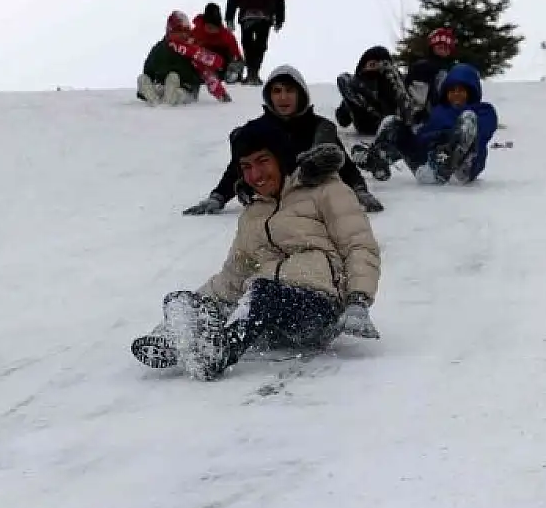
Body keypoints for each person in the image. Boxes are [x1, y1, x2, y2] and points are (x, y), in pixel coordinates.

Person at [131, 119, 381, 381]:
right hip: (265, 314)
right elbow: (233, 277)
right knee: (184, 300)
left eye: (263, 161)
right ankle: (172, 338)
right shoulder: (252, 214)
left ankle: (220, 351)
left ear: (281, 158)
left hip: (319, 309)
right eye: (246, 167)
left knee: (263, 292)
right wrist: (196, 305)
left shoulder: (326, 191)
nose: (255, 175)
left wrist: (358, 301)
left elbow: (359, 245)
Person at [182, 64, 384, 214]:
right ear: (269, 96)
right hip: (271, 193)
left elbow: (344, 166)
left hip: (309, 194)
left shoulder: (319, 127)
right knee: (242, 136)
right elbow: (238, 166)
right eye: (277, 91)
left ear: (300, 94)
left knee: (326, 132)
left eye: (289, 90)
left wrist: (360, 190)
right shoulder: (256, 128)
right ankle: (252, 189)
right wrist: (218, 197)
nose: (283, 97)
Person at [354, 62, 498, 185]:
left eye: (461, 90)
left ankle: (446, 161)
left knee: (468, 119)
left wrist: (449, 138)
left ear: (471, 91)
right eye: (452, 90)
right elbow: (422, 137)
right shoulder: (439, 110)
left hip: (463, 167)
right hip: (427, 164)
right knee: (392, 122)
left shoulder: (483, 110)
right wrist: (406, 142)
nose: (456, 94)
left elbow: (483, 132)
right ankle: (378, 159)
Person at [137, 10, 231, 105]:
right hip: (162, 87)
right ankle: (154, 99)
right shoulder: (160, 49)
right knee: (143, 78)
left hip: (187, 89)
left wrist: (221, 94)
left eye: (185, 31)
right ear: (169, 31)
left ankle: (169, 100)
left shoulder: (192, 50)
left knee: (173, 78)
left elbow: (207, 73)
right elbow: (149, 69)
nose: (182, 35)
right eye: (178, 31)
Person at [224, 0, 285, 86]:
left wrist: (229, 18)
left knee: (247, 45)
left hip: (247, 15)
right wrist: (279, 19)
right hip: (265, 17)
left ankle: (251, 72)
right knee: (260, 45)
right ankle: (254, 73)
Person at [334, 45, 420, 136]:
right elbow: (343, 120)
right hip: (368, 122)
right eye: (373, 64)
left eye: (384, 65)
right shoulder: (357, 87)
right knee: (343, 79)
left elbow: (408, 100)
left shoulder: (393, 81)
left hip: (393, 121)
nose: (378, 68)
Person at [403, 27, 459, 120]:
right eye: (439, 46)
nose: (443, 49)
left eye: (446, 47)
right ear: (432, 47)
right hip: (426, 111)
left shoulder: (454, 69)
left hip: (450, 110)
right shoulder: (422, 66)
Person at [192, 3, 245, 84]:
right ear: (204, 24)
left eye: (215, 27)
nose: (212, 30)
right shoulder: (195, 34)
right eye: (209, 27)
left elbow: (237, 58)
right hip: (200, 71)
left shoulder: (227, 36)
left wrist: (235, 68)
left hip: (222, 72)